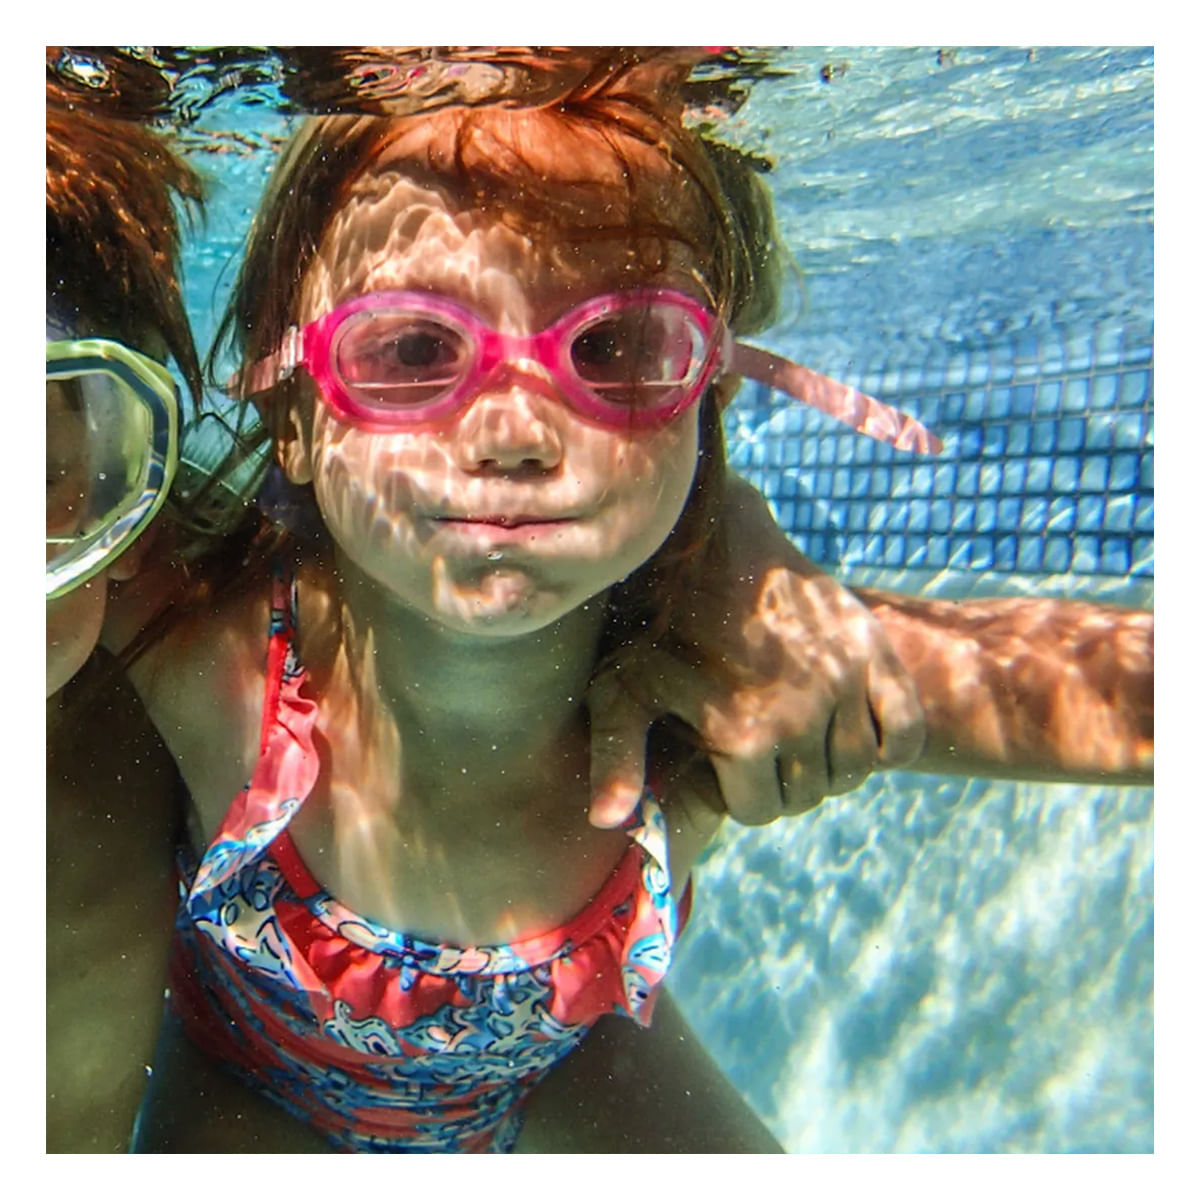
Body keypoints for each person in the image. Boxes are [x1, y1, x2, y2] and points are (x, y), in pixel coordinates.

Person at [110, 58, 1151, 1155]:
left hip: (570, 1071)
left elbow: (1111, 693)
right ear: (298, 415)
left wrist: (764, 575)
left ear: (705, 392)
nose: (513, 434)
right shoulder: (210, 648)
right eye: (414, 350)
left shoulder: (727, 679)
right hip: (247, 1083)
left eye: (614, 349)